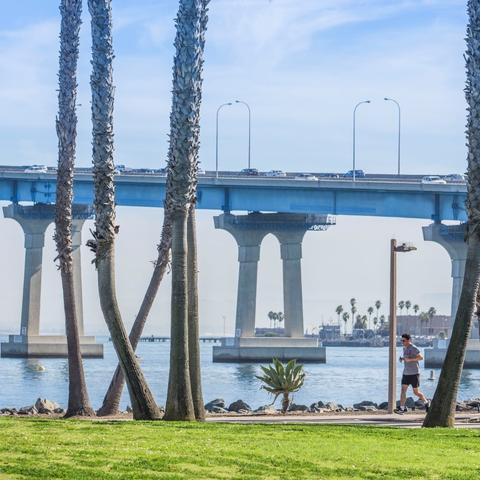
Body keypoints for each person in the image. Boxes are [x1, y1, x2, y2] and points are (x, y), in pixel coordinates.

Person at [394, 333, 429, 414]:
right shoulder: (404, 348)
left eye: (404, 340)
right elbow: (407, 357)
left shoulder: (413, 348)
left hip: (414, 373)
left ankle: (426, 402)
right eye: (401, 340)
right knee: (403, 391)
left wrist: (410, 360)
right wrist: (402, 358)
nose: (402, 342)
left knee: (416, 392)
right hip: (406, 373)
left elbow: (421, 357)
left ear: (409, 340)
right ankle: (402, 408)